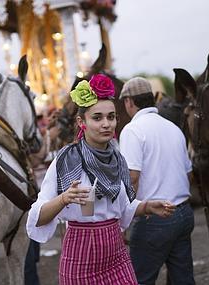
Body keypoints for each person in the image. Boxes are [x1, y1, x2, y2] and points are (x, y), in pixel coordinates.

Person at [26, 74, 176, 284]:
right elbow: (37, 216)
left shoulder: (118, 159)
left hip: (117, 256)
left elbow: (123, 208)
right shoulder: (66, 160)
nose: (106, 124)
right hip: (80, 259)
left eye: (111, 117)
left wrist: (147, 206)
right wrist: (64, 199)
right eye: (97, 118)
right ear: (82, 122)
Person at [119, 77, 195, 285]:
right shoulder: (173, 128)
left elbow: (132, 178)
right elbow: (188, 174)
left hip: (154, 218)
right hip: (183, 213)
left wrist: (124, 221)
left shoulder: (132, 130)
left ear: (129, 102)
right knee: (183, 280)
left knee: (139, 280)